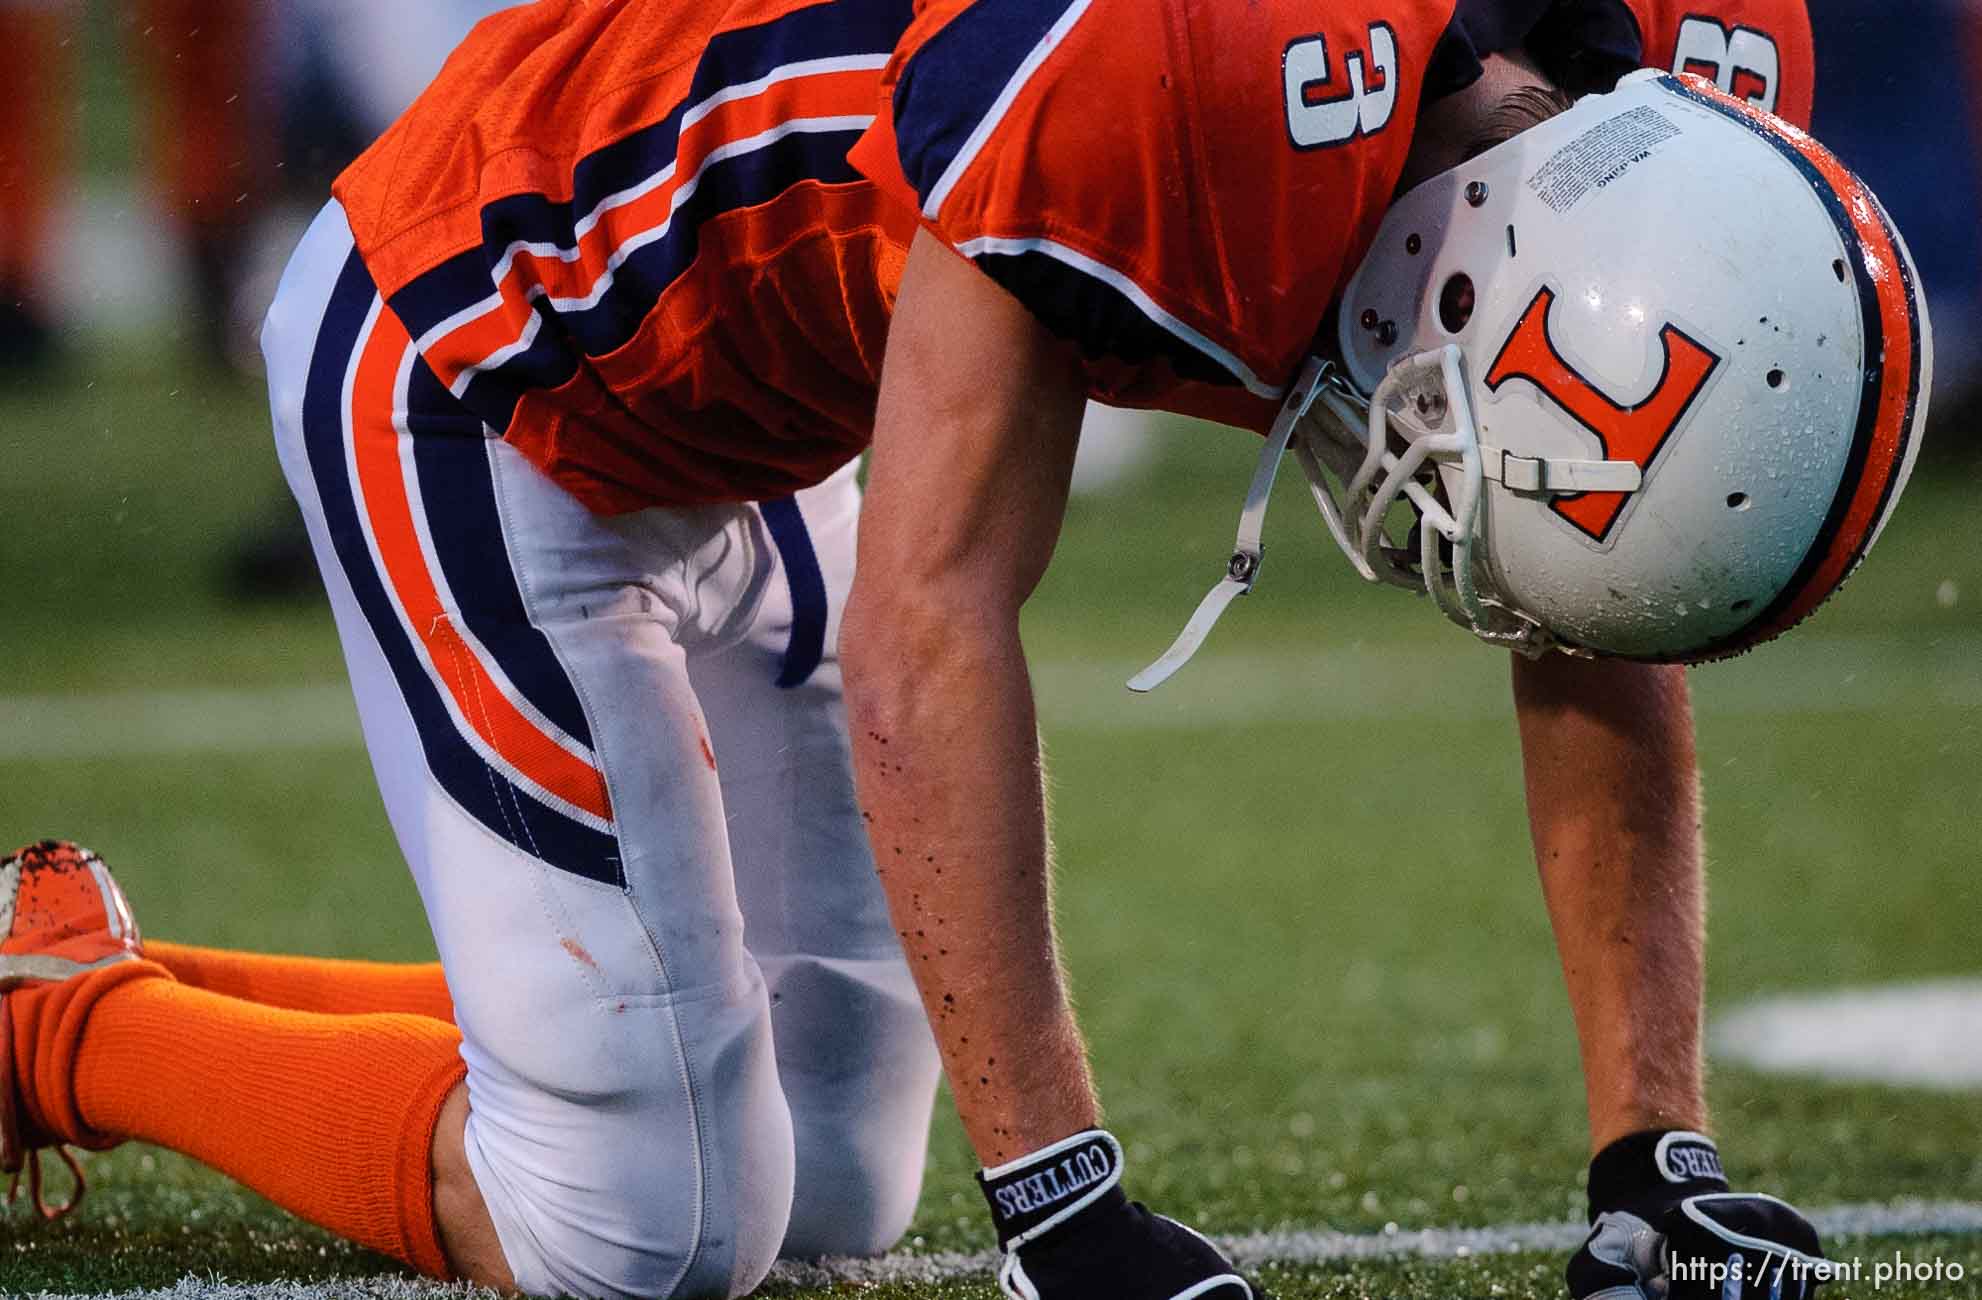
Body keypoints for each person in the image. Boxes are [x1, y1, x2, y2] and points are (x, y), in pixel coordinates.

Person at [2, 1, 1925, 1298]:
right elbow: (933, 622)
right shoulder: (1189, 69)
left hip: (780, 411)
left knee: (825, 1185)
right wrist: (1063, 1207)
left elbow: (1596, 594)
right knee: (628, 1226)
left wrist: (1649, 1153)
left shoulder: (1675, 98)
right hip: (489, 360)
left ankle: (143, 963)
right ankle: (51, 1024)